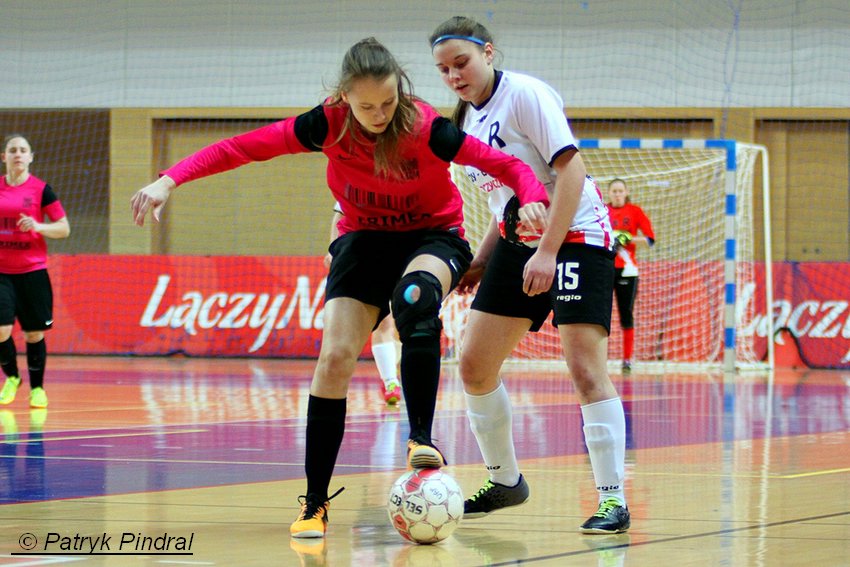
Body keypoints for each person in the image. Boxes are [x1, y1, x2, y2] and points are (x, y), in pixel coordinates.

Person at [130, 37, 553, 540]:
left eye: (388, 102)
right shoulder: (325, 125)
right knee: (334, 359)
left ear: (400, 90)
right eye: (366, 106)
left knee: (416, 298)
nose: (379, 115)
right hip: (363, 241)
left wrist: (531, 196)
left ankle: (421, 437)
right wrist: (169, 180)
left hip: (433, 236)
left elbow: (510, 166)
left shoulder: (426, 127)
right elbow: (239, 148)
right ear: (344, 97)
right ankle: (315, 503)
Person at [430, 17, 630, 534]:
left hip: (576, 236)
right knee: (474, 364)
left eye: (461, 63)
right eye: (443, 70)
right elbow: (505, 201)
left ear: (488, 52)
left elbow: (572, 170)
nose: (454, 76)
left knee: (585, 368)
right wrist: (481, 260)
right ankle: (505, 481)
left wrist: (547, 251)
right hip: (518, 242)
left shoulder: (524, 94)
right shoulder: (465, 121)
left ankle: (613, 500)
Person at [0, 134, 70, 409]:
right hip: (2, 273)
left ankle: (37, 389)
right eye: (12, 150)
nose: (18, 154)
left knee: (34, 334)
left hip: (32, 272)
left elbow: (64, 228)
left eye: (23, 150)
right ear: (4, 157)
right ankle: (12, 377)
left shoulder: (42, 190)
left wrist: (39, 226)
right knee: (1, 331)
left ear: (30, 157)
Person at [324, 204, 401, 405]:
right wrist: (333, 249)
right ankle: (390, 381)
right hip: (359, 252)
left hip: (397, 250)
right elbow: (340, 212)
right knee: (382, 321)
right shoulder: (353, 185)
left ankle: (392, 377)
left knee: (397, 321)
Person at [606, 178, 655, 373]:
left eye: (620, 191)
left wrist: (627, 238)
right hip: (605, 268)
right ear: (609, 193)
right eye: (614, 191)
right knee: (600, 314)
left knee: (626, 314)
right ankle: (599, 357)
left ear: (626, 192)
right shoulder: (602, 210)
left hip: (628, 270)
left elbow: (650, 240)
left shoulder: (635, 211)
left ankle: (627, 360)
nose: (617, 194)